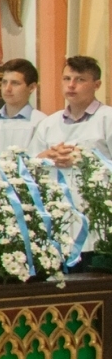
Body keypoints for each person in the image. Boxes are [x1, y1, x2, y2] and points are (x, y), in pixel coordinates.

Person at [32, 56, 112, 258]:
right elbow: (28, 167)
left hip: (96, 217)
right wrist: (45, 156)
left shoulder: (107, 118)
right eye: (67, 79)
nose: (71, 85)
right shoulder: (49, 123)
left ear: (97, 85)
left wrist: (84, 158)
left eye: (80, 80)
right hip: (58, 217)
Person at [0, 58, 43, 157]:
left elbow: (39, 161)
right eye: (4, 82)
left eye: (15, 83)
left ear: (31, 88)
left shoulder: (41, 123)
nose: (7, 88)